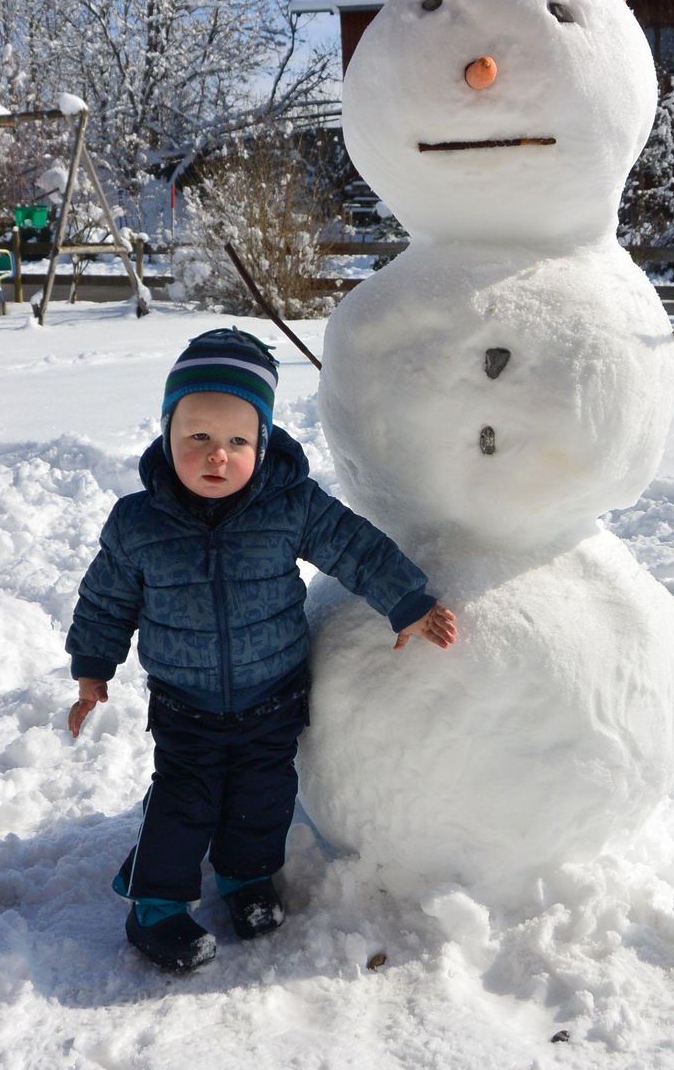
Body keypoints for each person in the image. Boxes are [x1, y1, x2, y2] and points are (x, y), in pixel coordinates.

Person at [66, 327, 457, 972]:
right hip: (185, 702)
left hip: (272, 694)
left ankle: (246, 879)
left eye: (237, 441)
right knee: (183, 803)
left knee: (263, 798)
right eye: (197, 436)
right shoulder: (138, 523)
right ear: (167, 433)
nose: (216, 455)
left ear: (264, 442)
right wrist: (91, 669)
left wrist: (407, 600)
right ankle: (154, 907)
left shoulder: (290, 504)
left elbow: (354, 547)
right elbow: (105, 601)